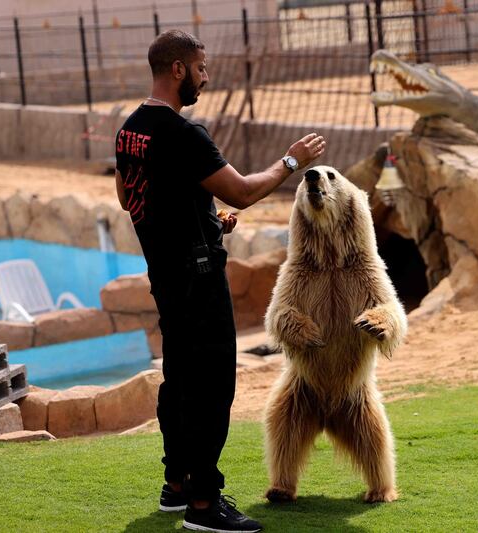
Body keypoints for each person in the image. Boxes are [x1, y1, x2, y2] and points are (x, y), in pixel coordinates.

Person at [114, 29, 325, 533]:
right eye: (202, 68)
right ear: (179, 69)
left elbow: (132, 197)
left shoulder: (129, 130)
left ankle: (178, 485)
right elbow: (245, 191)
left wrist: (206, 219)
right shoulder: (185, 134)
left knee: (180, 379)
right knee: (210, 388)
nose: (206, 78)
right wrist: (292, 159)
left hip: (166, 278)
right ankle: (205, 505)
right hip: (199, 280)